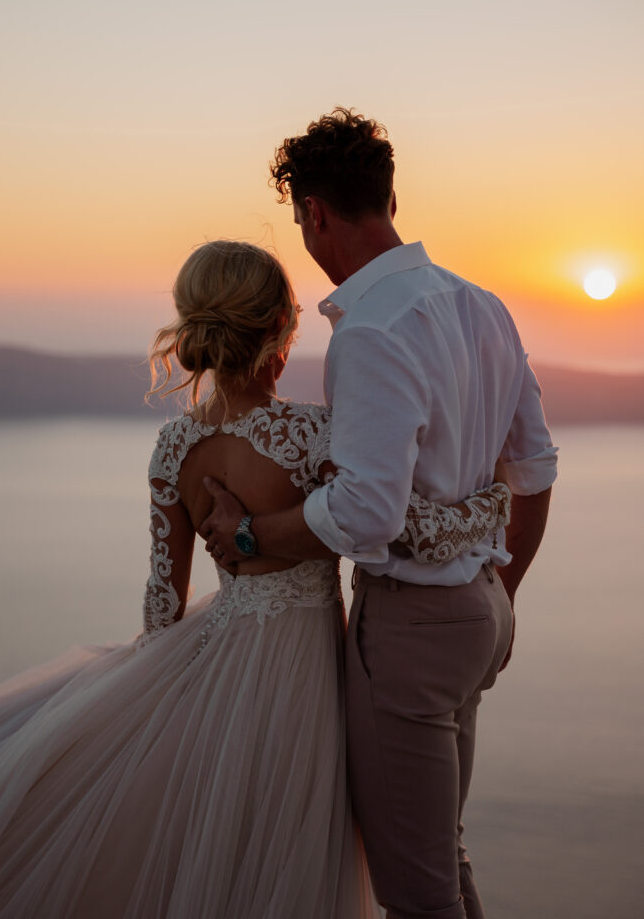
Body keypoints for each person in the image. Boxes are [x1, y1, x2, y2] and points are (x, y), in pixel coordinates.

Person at [0, 240, 511, 919]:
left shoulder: (173, 448)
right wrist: (494, 503)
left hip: (217, 660)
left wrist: (152, 691)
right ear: (283, 327)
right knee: (296, 850)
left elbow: (163, 600)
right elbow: (407, 525)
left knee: (221, 848)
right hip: (306, 674)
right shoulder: (316, 435)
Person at [201, 110, 559, 919]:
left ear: (315, 213)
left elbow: (365, 510)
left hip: (414, 631)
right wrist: (503, 588)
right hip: (480, 612)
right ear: (389, 197)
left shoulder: (369, 332)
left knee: (414, 894)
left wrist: (251, 533)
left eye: (298, 219)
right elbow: (535, 466)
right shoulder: (483, 305)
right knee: (442, 860)